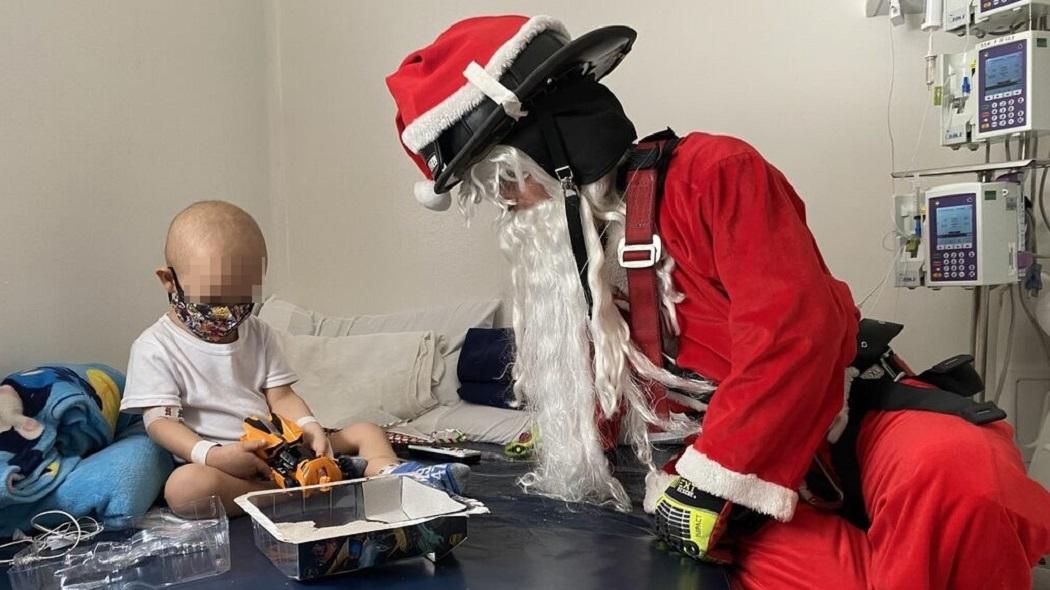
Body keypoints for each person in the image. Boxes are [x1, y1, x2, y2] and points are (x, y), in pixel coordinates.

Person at [386, 15, 1050, 588]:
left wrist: (711, 482)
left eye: (504, 184)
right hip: (714, 479)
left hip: (847, 419)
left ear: (548, 149)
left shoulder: (716, 174)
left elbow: (798, 333)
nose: (507, 208)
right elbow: (601, 397)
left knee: (961, 476)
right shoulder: (570, 263)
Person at [120, 200, 468, 515]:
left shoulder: (258, 333)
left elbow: (282, 396)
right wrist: (210, 455)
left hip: (283, 451)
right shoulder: (155, 347)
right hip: (225, 465)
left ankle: (399, 479)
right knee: (185, 490)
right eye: (213, 301)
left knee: (367, 431)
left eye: (243, 301)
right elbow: (160, 423)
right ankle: (306, 488)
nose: (229, 315)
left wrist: (310, 427)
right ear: (169, 281)